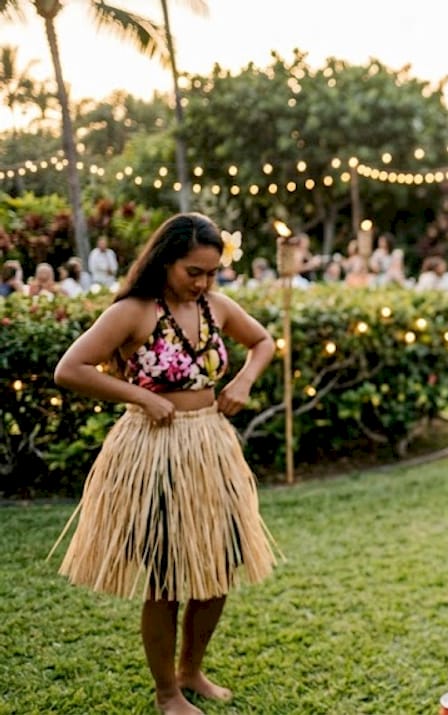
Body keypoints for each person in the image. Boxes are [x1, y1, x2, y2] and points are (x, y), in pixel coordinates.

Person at [51, 213, 277, 715]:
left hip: (210, 449)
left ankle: (191, 669)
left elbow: (263, 342)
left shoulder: (216, 306)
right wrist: (139, 396)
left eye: (211, 272)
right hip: (154, 453)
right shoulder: (134, 311)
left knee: (217, 569)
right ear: (165, 261)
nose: (202, 282)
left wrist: (241, 382)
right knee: (167, 578)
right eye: (192, 271)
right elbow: (69, 369)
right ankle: (166, 692)